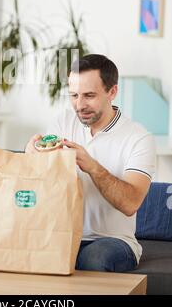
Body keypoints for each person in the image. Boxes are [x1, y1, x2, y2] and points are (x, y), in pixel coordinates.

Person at [26, 54, 156, 272]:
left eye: (89, 96)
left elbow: (130, 203)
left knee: (94, 258)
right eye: (74, 95)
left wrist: (91, 166)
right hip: (63, 233)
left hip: (114, 241)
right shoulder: (62, 122)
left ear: (112, 92)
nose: (79, 105)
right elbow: (43, 187)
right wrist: (33, 156)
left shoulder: (139, 138)